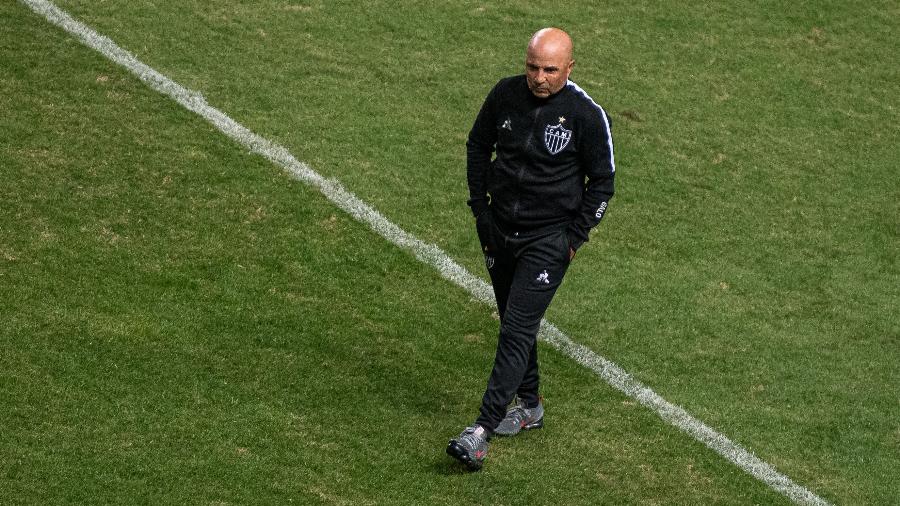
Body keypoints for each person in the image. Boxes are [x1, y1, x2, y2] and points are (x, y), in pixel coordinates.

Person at [447, 27, 616, 471]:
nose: (539, 78)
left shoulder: (586, 115)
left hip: (548, 240)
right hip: (498, 229)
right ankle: (530, 405)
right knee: (513, 319)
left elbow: (602, 184)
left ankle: (480, 431)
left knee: (517, 329)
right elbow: (478, 145)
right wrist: (479, 211)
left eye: (550, 70)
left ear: (570, 68)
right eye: (532, 67)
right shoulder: (505, 94)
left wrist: (573, 240)